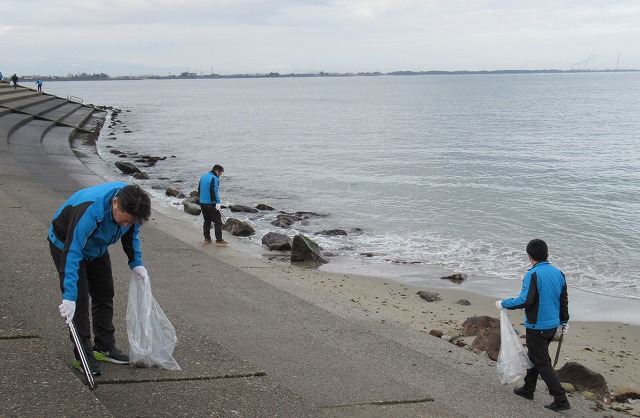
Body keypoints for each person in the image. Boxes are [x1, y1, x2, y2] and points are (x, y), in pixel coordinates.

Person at [49, 182, 152, 376]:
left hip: (97, 248)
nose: (125, 225)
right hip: (66, 244)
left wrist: (135, 262)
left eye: (129, 221)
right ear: (115, 203)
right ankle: (83, 356)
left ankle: (104, 347)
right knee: (79, 301)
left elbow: (131, 233)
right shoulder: (91, 210)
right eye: (123, 220)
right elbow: (72, 252)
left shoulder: (132, 208)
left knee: (105, 293)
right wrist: (69, 295)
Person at [495, 239, 570, 412]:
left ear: (529, 257)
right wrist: (564, 321)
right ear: (547, 254)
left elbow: (525, 300)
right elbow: (563, 299)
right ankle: (528, 388)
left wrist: (504, 304)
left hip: (537, 326)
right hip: (552, 326)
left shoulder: (533, 275)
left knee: (542, 362)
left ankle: (560, 399)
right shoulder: (559, 273)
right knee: (535, 356)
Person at [198, 164, 227, 245]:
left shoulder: (203, 176)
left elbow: (199, 189)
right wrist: (217, 202)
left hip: (202, 202)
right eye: (220, 173)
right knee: (217, 221)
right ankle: (219, 240)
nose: (220, 175)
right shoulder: (214, 178)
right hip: (210, 203)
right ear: (217, 171)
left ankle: (207, 239)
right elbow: (214, 191)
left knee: (207, 220)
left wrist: (200, 200)